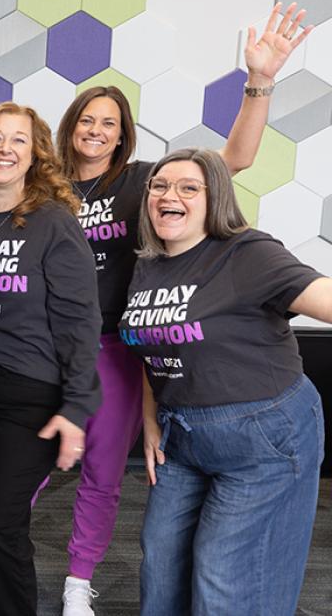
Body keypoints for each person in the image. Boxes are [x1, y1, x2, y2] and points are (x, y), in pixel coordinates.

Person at [53, 2, 313, 615]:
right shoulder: (45, 188)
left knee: (111, 481)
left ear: (124, 135)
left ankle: (77, 583)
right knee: (32, 473)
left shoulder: (144, 183)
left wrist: (259, 82)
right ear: (70, 127)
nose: (97, 130)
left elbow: (232, 161)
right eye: (87, 119)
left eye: (110, 122)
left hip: (123, 345)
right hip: (71, 347)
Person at [124, 147, 329, 615]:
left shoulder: (246, 253)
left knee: (223, 574)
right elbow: (152, 350)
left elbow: (325, 296)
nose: (168, 195)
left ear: (214, 196)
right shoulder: (148, 264)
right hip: (181, 436)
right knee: (160, 561)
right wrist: (151, 421)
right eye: (160, 185)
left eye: (188, 188)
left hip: (262, 438)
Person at [0, 102, 102, 616]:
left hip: (29, 393)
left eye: (19, 139)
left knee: (0, 522)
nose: (5, 148)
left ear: (36, 153)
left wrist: (77, 407)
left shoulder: (53, 222)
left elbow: (81, 320)